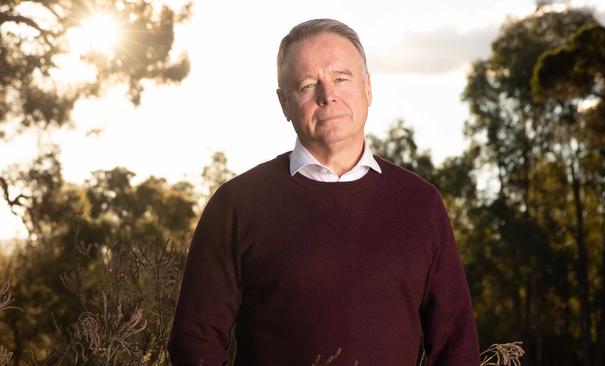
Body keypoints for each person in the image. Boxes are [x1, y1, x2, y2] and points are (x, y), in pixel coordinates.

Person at [167, 19, 480, 365]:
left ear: (368, 88)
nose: (328, 95)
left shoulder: (420, 203)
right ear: (284, 103)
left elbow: (456, 342)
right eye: (306, 85)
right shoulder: (238, 205)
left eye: (341, 78)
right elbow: (195, 341)